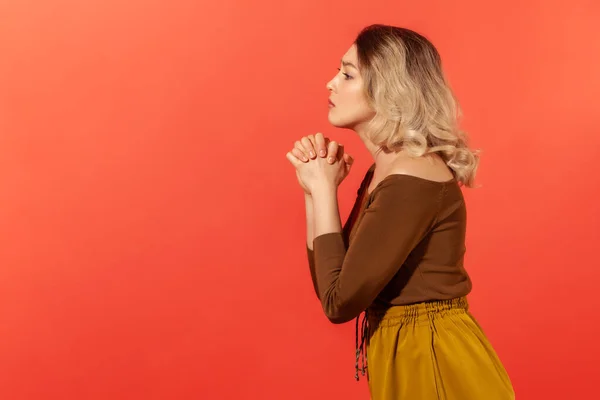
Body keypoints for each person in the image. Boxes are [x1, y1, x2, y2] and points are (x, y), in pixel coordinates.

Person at [285, 24, 515, 399]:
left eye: (347, 74)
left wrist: (325, 189)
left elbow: (340, 303)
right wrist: (315, 190)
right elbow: (335, 284)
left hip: (434, 359)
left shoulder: (410, 174)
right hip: (411, 350)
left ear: (388, 90)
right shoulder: (388, 169)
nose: (331, 83)